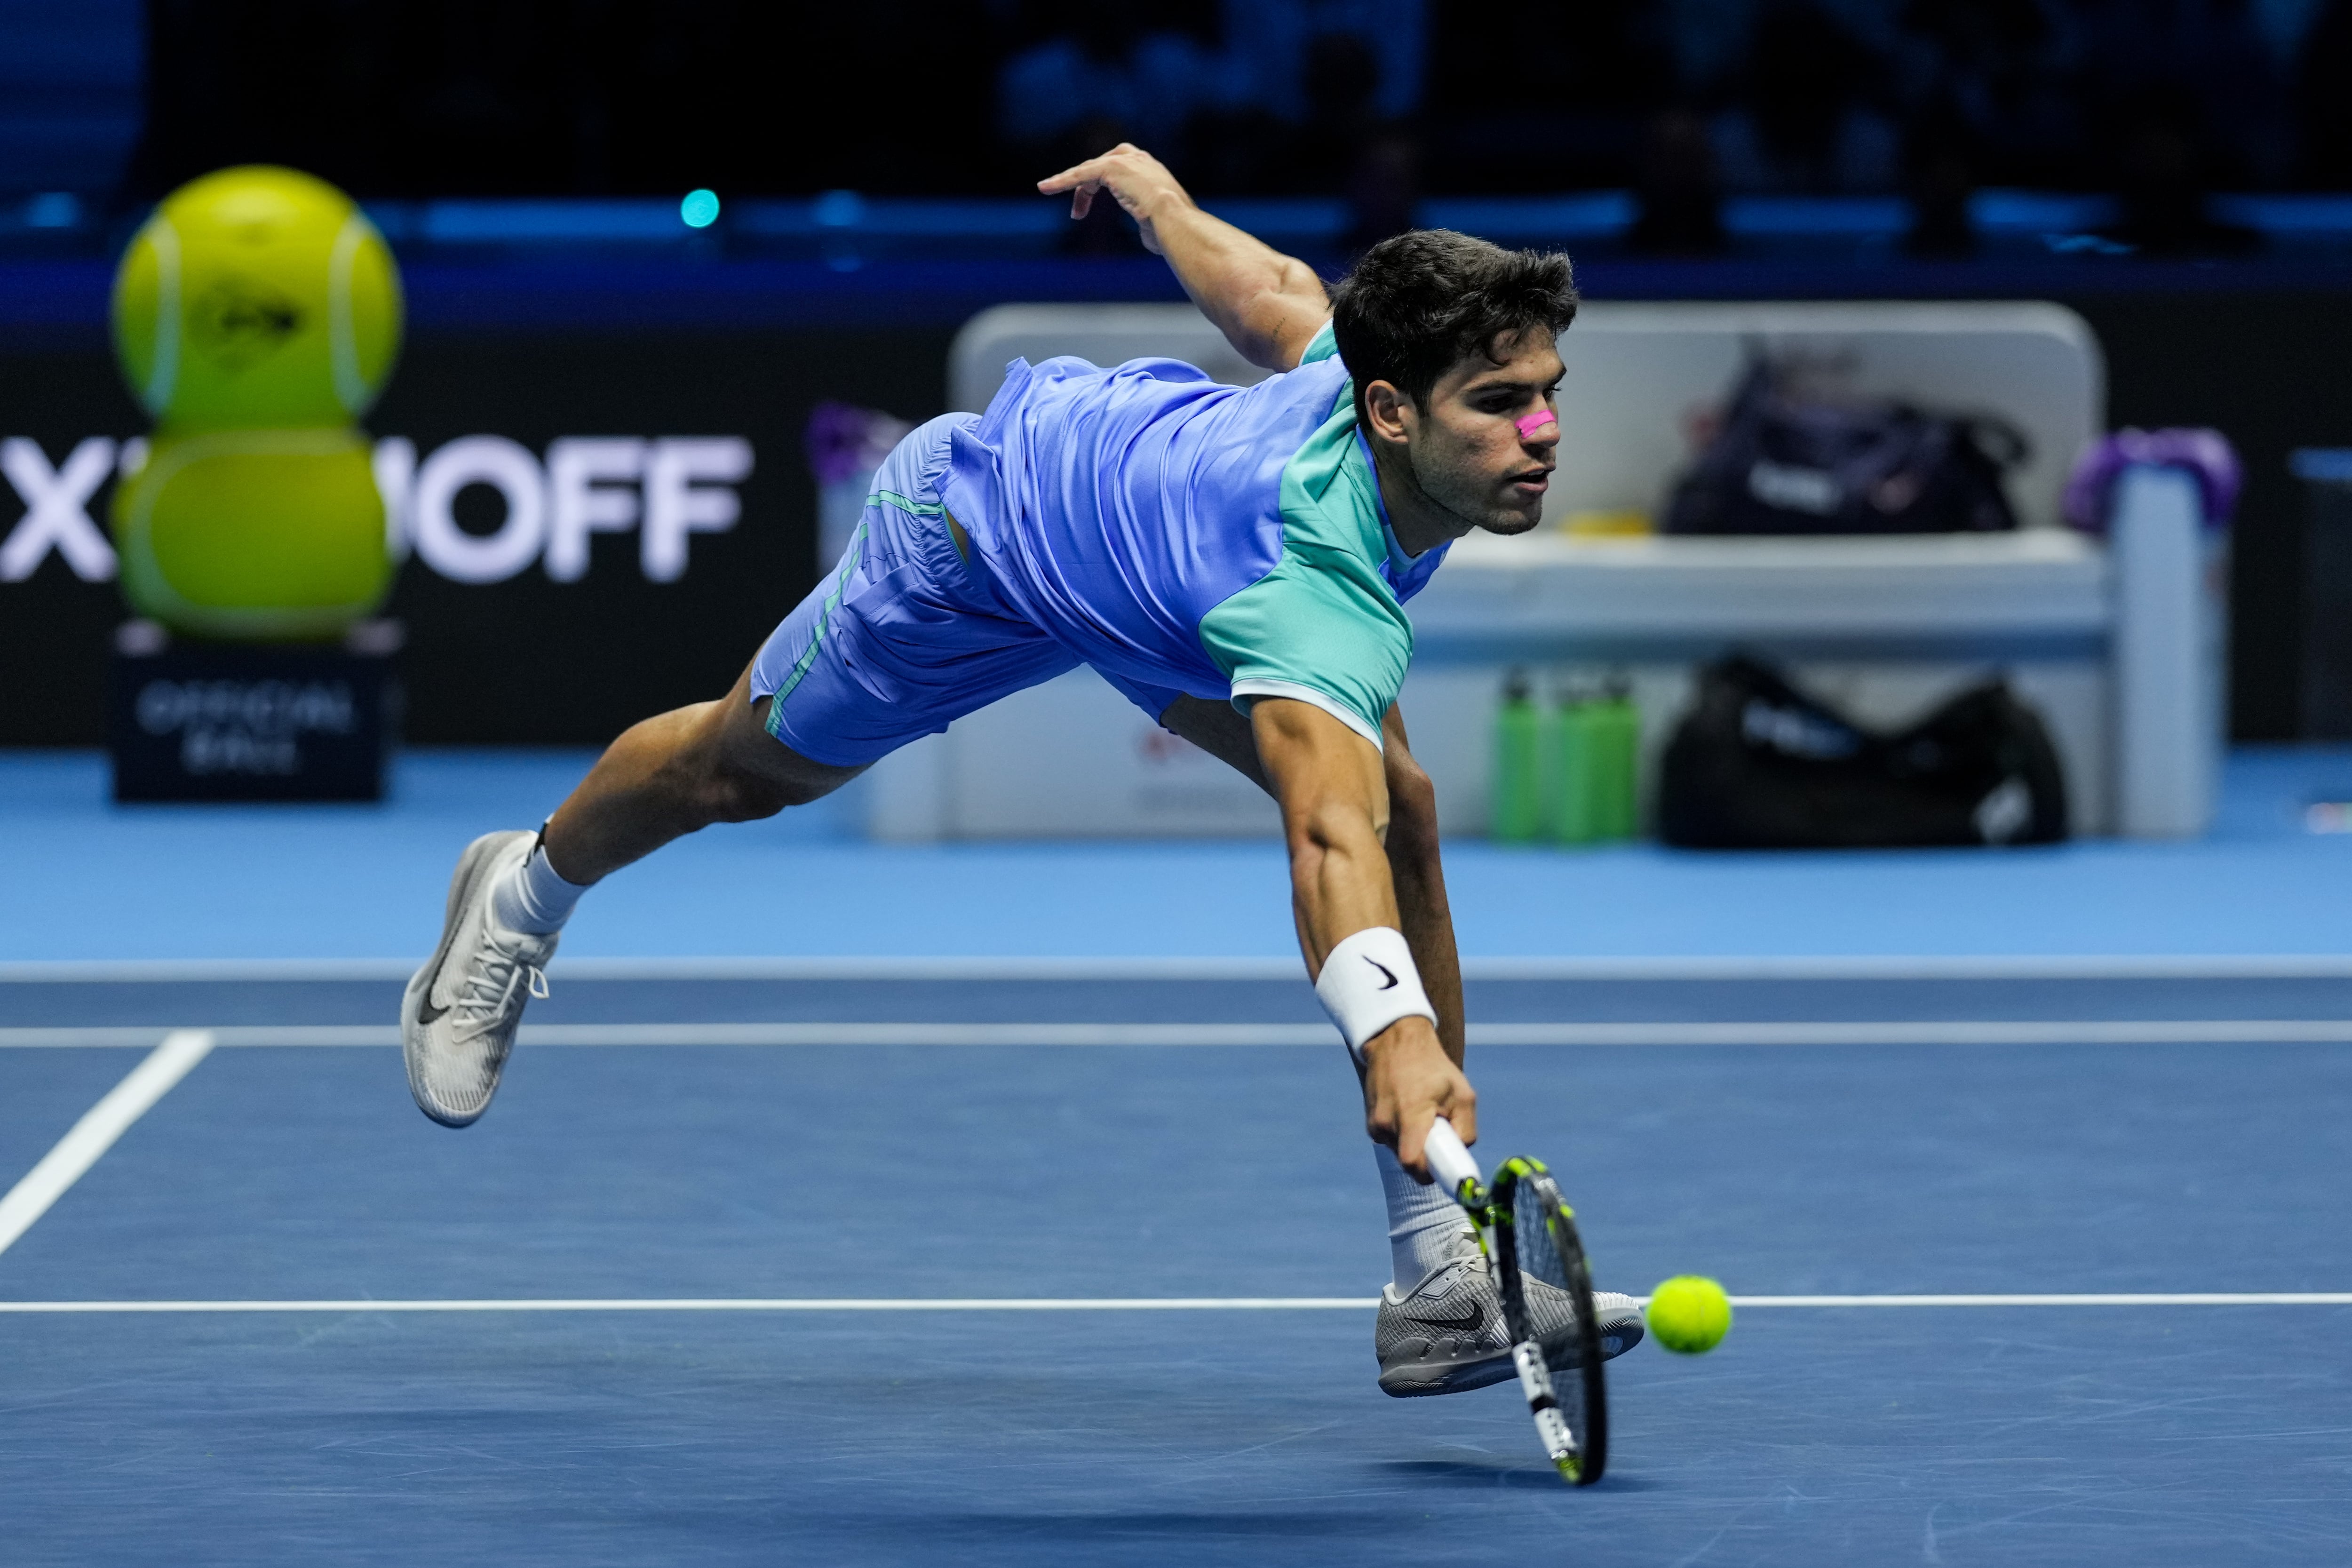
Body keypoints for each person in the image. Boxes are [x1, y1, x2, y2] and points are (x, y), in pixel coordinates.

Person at [399, 143, 1642, 1395]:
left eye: (1547, 391)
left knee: (1405, 810)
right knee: (741, 770)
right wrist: (1397, 1038)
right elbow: (1325, 837)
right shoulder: (1317, 606)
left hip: (1164, 587)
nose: (1540, 434)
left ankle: (1441, 1279)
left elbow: (1270, 293)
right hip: (979, 540)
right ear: (1389, 410)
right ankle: (522, 891)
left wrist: (1162, 206)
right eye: (1498, 405)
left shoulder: (1359, 377)